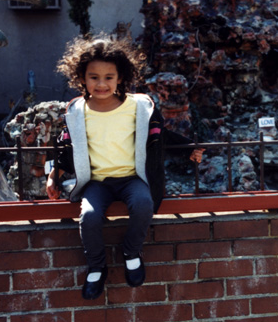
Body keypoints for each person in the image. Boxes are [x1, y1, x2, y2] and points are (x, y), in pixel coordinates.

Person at [46, 34, 204, 300]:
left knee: (144, 204)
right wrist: (54, 176)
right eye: (93, 76)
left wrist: (188, 149)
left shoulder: (138, 107)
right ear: (81, 78)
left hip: (132, 179)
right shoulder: (77, 112)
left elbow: (158, 136)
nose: (102, 83)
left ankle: (131, 252)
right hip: (97, 182)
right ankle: (96, 266)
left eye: (109, 77)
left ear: (121, 77)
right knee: (89, 217)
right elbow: (67, 150)